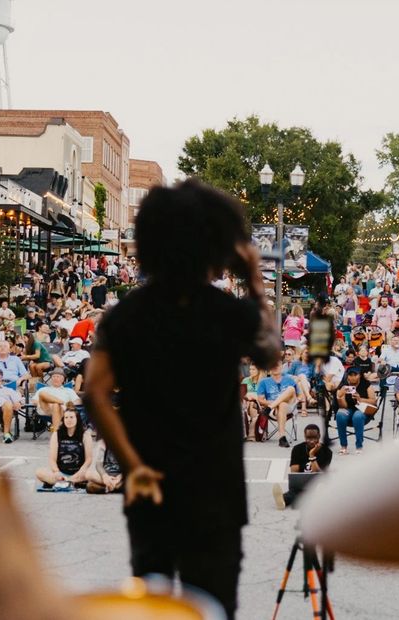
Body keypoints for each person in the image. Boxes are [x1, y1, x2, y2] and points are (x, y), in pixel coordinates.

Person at [84, 180, 280, 619]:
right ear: (216, 244)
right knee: (214, 603)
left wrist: (132, 465)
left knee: (151, 603)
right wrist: (254, 283)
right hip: (216, 488)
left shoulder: (126, 315)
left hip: (148, 479)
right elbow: (271, 354)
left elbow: (94, 392)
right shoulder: (230, 312)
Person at [272, 424, 335, 509]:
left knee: (319, 489)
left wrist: (312, 455)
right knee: (293, 492)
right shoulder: (297, 449)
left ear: (319, 436)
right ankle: (283, 500)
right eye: (309, 438)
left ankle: (306, 499)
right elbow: (294, 471)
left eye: (315, 438)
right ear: (305, 437)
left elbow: (318, 473)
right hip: (300, 485)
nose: (312, 441)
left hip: (318, 484)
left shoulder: (327, 452)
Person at [35, 408, 96, 487]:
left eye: (71, 417)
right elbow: (52, 459)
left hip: (79, 474)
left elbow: (89, 459)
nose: (69, 420)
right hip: (61, 474)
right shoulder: (56, 434)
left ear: (77, 419)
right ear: (63, 420)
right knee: (39, 472)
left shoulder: (85, 435)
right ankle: (69, 482)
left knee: (91, 475)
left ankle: (65, 482)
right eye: (66, 418)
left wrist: (82, 470)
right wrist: (57, 472)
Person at [333, 367, 378, 455]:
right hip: (348, 409)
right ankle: (343, 446)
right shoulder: (343, 386)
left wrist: (360, 399)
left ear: (359, 375)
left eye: (355, 375)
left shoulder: (366, 384)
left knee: (357, 416)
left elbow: (373, 401)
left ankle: (359, 446)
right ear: (347, 376)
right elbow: (343, 406)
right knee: (340, 414)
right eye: (351, 375)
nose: (353, 377)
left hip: (363, 410)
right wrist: (340, 397)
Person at [257, 364, 300, 447]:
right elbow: (261, 400)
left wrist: (297, 400)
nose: (275, 367)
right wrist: (276, 403)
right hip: (275, 409)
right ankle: (282, 438)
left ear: (281, 367)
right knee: (282, 404)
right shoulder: (264, 382)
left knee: (291, 388)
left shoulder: (290, 380)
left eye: (277, 365)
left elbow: (300, 396)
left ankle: (269, 408)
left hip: (289, 406)